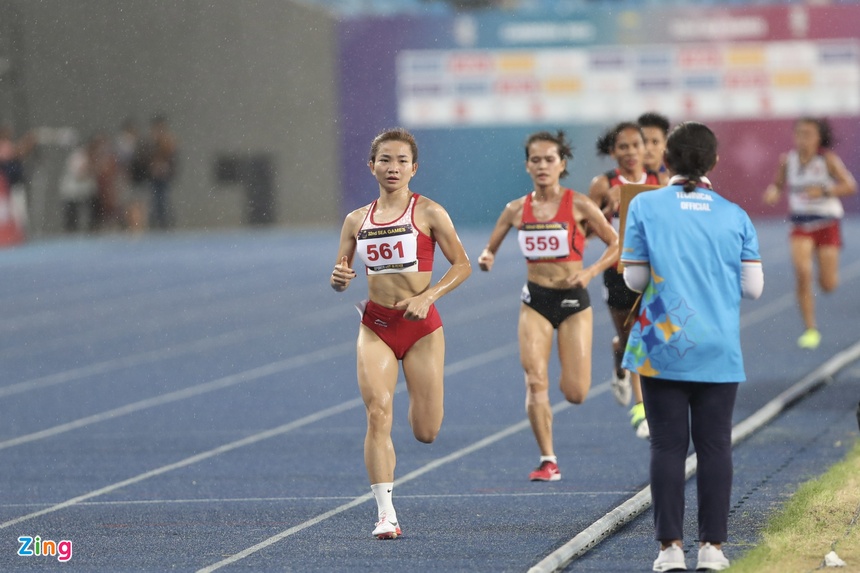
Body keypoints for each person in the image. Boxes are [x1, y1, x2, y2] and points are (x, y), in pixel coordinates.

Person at [620, 121, 764, 571]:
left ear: (666, 160)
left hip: (662, 342)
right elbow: (754, 288)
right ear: (714, 162)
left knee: (666, 447)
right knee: (716, 447)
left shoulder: (644, 205)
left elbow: (634, 279)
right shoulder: (734, 214)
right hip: (717, 346)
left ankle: (669, 551)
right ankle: (713, 550)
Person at [330, 128, 471, 539]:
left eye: (402, 161)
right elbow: (341, 276)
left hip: (422, 328)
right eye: (385, 160)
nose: (393, 168)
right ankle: (385, 513)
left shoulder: (429, 212)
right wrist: (339, 278)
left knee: (426, 431)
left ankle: (413, 390)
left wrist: (429, 296)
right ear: (371, 166)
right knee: (377, 412)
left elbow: (461, 265)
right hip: (376, 326)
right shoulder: (356, 220)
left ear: (414, 168)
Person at [478, 130, 619, 481]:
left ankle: (594, 375)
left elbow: (617, 244)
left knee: (575, 393)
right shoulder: (515, 210)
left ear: (562, 164)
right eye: (536, 160)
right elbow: (490, 247)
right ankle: (548, 460)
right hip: (535, 300)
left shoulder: (581, 204)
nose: (542, 166)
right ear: (527, 165)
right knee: (534, 378)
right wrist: (486, 256)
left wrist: (590, 271)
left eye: (549, 159)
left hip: (573, 300)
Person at [588, 121, 661, 439]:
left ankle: (642, 409)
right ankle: (619, 358)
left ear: (647, 148)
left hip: (655, 269)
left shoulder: (662, 180)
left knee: (644, 337)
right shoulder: (603, 184)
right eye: (623, 147)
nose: (631, 152)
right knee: (630, 337)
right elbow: (585, 231)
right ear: (612, 151)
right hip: (618, 270)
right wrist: (607, 208)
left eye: (636, 145)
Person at [762, 117, 856, 349]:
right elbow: (777, 184)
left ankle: (823, 278)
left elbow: (850, 186)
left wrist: (824, 190)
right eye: (799, 133)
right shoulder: (787, 161)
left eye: (808, 134)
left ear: (818, 137)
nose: (803, 138)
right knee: (803, 273)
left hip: (826, 222)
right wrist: (772, 192)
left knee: (828, 284)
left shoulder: (828, 160)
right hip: (800, 223)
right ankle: (810, 329)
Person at [146, 114, 178, 229]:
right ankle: (157, 223)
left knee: (163, 200)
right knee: (155, 201)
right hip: (154, 177)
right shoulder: (152, 142)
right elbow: (148, 158)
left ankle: (165, 223)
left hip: (164, 176)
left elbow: (172, 158)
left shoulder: (168, 140)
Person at [637, 112, 671, 185]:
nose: (649, 148)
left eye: (655, 142)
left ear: (665, 144)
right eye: (644, 141)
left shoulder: (672, 180)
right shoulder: (623, 179)